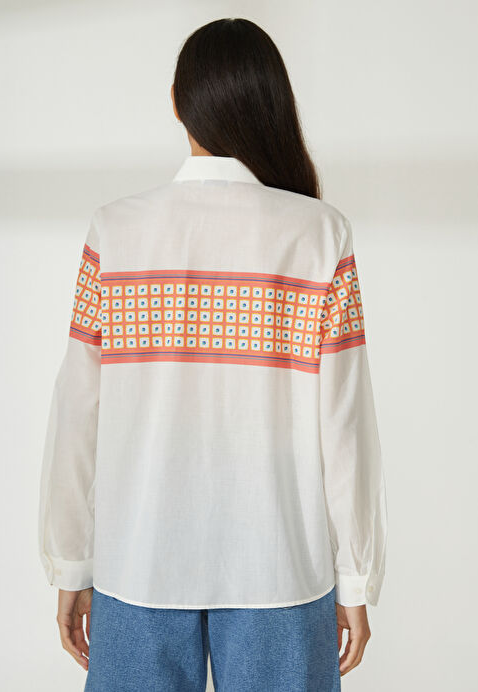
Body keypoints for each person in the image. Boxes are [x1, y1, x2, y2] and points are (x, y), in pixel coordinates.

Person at [38, 17, 387, 692]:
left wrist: (71, 561)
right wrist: (355, 575)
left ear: (176, 102)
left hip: (137, 561)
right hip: (280, 565)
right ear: (271, 102)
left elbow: (77, 412)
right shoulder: (319, 233)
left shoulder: (116, 231)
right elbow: (343, 425)